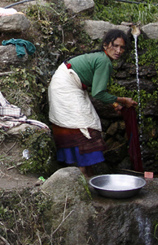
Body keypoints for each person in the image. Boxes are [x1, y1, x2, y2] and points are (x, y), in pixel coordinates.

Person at [48, 28, 138, 176]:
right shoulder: (104, 61)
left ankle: (86, 174)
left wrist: (115, 104)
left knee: (82, 122)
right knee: (85, 125)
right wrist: (122, 100)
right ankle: (82, 174)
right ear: (105, 45)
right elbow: (98, 93)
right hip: (65, 87)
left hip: (64, 84)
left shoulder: (100, 58)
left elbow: (96, 89)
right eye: (115, 45)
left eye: (122, 47)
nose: (118, 50)